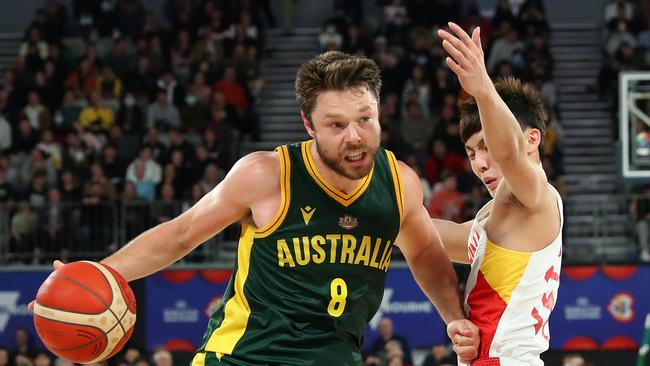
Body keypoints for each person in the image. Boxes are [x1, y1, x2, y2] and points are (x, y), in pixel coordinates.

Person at [31, 51, 479, 365]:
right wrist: (97, 274)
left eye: (365, 118)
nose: (356, 136)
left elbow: (423, 253)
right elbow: (181, 233)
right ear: (308, 125)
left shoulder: (399, 182)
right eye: (336, 125)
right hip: (243, 357)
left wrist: (455, 318)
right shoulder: (267, 175)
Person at [433, 23, 563, 365]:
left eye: (485, 147)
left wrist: (484, 90)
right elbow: (428, 235)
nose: (479, 164)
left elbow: (511, 155)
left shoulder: (538, 193)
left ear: (532, 139)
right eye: (471, 153)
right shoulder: (490, 216)